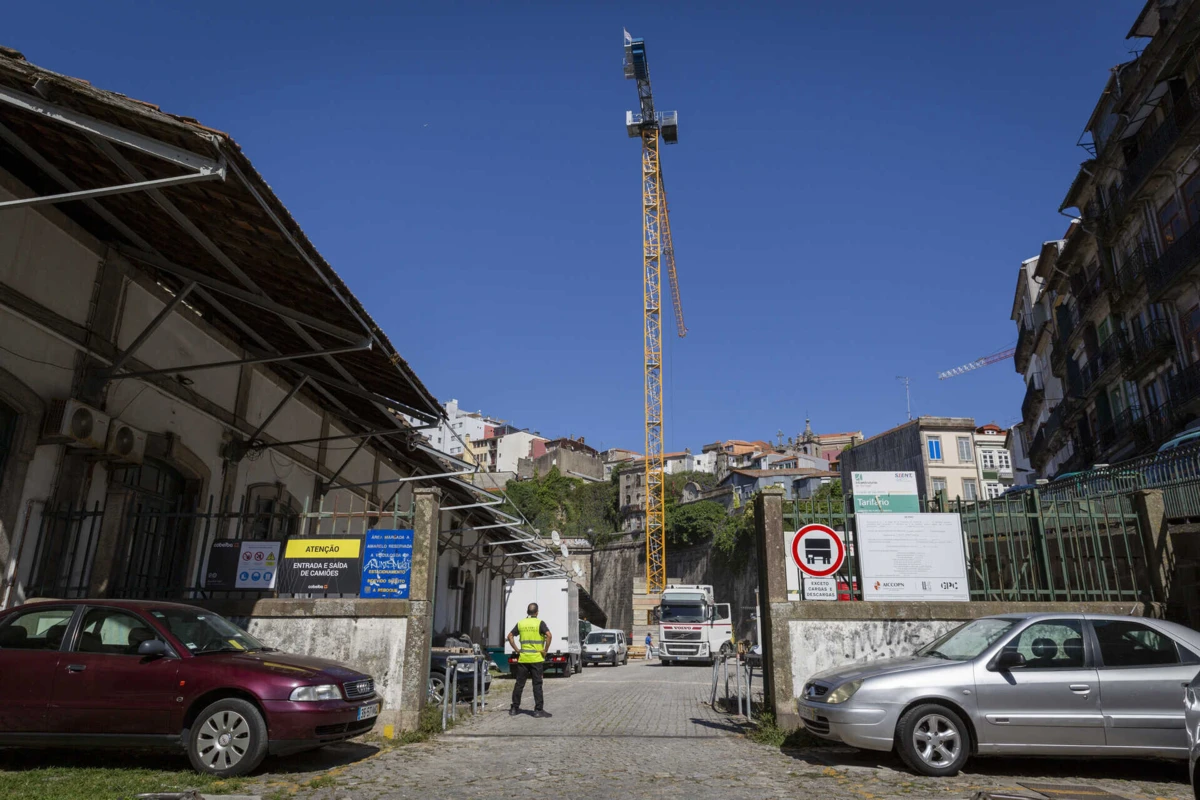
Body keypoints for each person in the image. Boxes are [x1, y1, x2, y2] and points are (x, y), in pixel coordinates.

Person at [507, 602, 551, 718]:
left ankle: (514, 709)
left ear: (527, 612)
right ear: (537, 612)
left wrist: (517, 649)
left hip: (523, 659)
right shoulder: (539, 623)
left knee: (519, 684)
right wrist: (545, 650)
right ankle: (538, 710)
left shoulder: (521, 623)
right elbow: (549, 635)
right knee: (537, 684)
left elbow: (510, 636)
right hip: (536, 659)